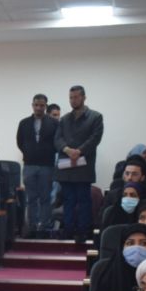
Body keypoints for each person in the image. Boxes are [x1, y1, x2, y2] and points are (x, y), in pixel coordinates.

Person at [55, 85, 104, 243]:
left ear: (84, 97)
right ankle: (68, 229)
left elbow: (95, 138)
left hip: (84, 165)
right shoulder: (64, 119)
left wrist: (79, 151)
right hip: (66, 165)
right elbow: (57, 139)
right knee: (68, 200)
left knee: (84, 200)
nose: (73, 100)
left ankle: (83, 231)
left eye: (76, 97)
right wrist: (67, 150)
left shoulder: (95, 117)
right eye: (71, 97)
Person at [17, 93, 60, 239]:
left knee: (45, 198)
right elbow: (20, 142)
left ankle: (44, 227)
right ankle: (32, 227)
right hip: (29, 165)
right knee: (31, 198)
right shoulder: (24, 123)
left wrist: (46, 153)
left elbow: (57, 142)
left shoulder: (54, 123)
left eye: (42, 105)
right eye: (36, 105)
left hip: (47, 165)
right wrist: (30, 153)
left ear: (45, 106)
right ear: (32, 105)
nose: (39, 108)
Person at [89, 224, 146, 291]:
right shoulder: (106, 275)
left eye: (144, 243)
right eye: (130, 243)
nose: (137, 248)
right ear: (122, 247)